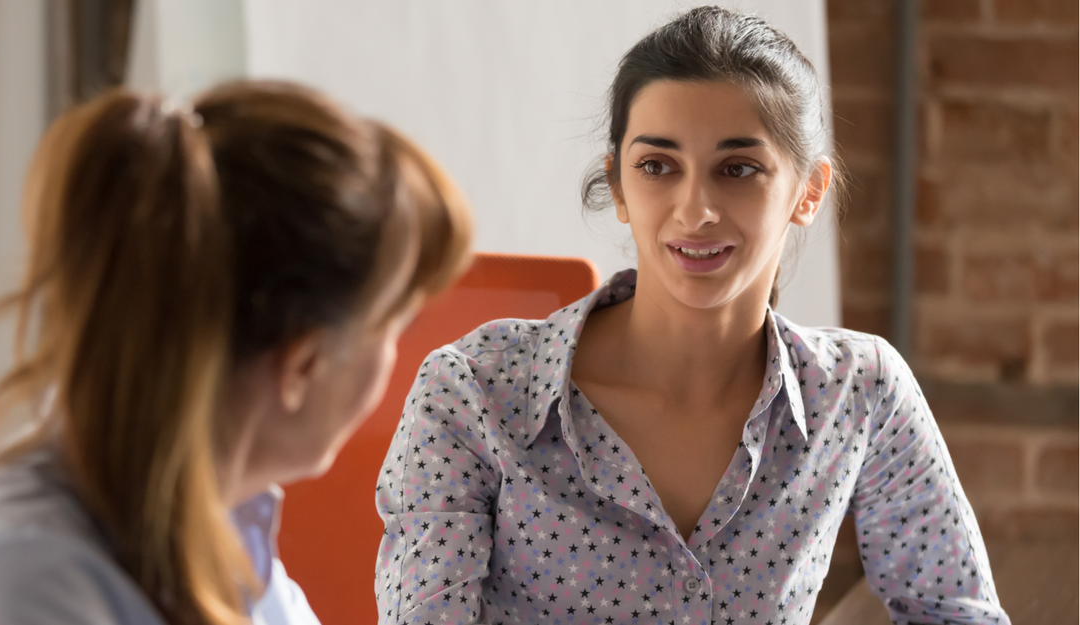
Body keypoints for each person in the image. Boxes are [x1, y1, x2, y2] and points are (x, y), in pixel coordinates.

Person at [374, 6, 1009, 625]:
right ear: (618, 187)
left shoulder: (859, 390)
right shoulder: (473, 394)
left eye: (738, 169)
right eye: (657, 166)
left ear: (808, 191)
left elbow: (956, 613)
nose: (695, 209)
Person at [0, 79, 472, 625]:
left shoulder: (220, 533)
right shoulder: (21, 590)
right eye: (393, 324)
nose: (398, 359)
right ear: (303, 364)